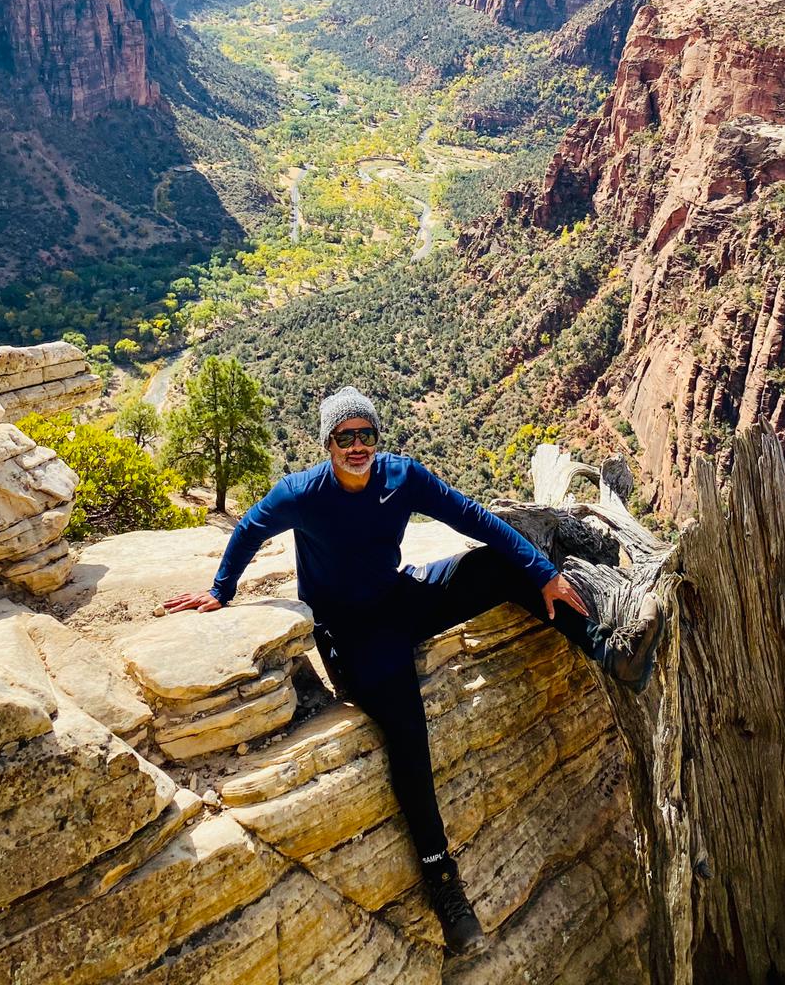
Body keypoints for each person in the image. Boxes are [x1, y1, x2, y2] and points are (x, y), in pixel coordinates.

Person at [162, 385, 663, 957]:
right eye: (344, 436)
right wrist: (220, 591)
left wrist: (543, 571)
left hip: (400, 599)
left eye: (365, 434)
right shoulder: (302, 493)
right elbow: (250, 526)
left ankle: (605, 650)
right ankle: (443, 884)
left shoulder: (401, 477)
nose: (356, 446)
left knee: (501, 563)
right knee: (407, 730)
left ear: (377, 438)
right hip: (350, 637)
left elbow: (473, 517)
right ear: (327, 442)